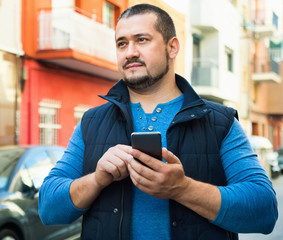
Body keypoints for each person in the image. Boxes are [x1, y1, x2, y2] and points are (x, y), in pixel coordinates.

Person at [39, 3, 278, 240]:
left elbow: (264, 210)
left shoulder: (219, 122)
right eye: (122, 43)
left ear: (172, 47)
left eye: (142, 40)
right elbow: (48, 209)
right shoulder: (91, 122)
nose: (130, 51)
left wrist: (183, 188)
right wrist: (97, 179)